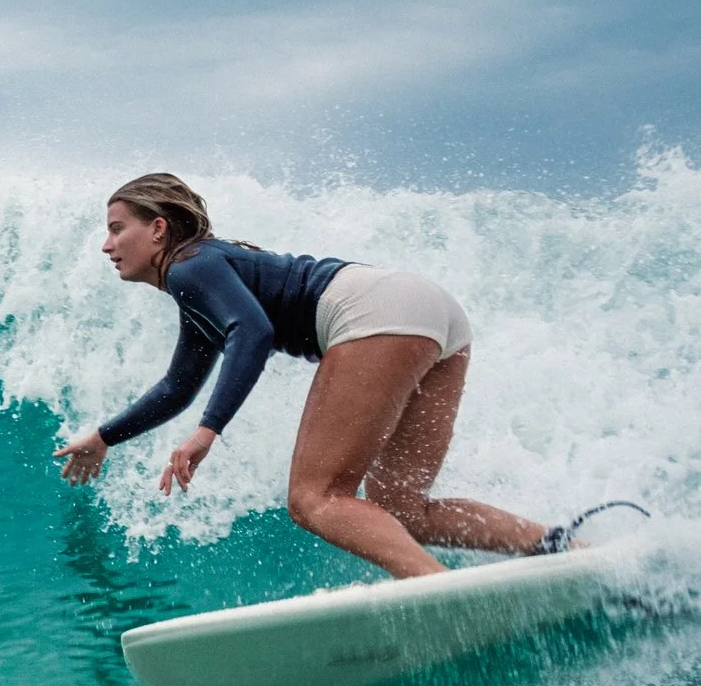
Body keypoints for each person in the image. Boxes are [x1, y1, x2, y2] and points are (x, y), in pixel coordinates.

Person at [52, 174, 563, 579]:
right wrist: (104, 438)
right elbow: (177, 387)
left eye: (117, 228)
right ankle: (564, 548)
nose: (107, 244)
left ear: (158, 228)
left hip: (375, 313)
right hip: (431, 313)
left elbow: (250, 333)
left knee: (313, 498)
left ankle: (431, 587)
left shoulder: (190, 267)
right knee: (402, 510)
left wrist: (207, 432)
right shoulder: (204, 276)